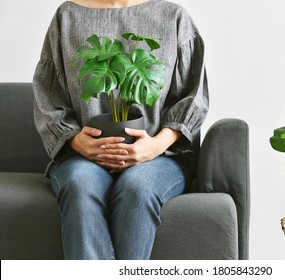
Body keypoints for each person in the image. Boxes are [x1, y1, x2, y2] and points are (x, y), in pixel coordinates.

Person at [33, 0, 208, 260]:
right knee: (81, 185)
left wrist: (154, 146)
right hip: (83, 157)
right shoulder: (67, 15)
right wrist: (75, 140)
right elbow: (48, 95)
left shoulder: (173, 16)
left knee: (137, 188)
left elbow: (192, 97)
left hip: (161, 156)